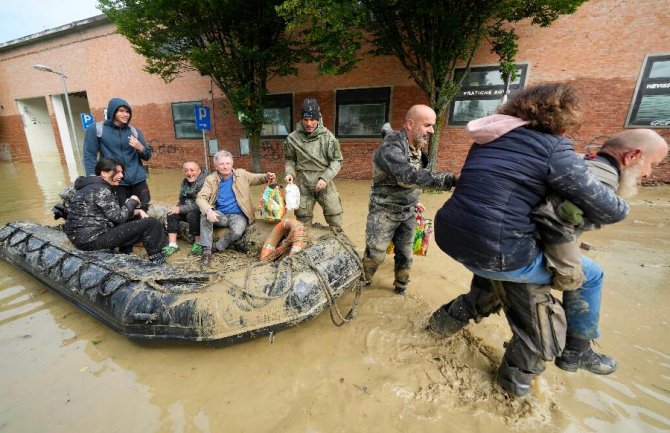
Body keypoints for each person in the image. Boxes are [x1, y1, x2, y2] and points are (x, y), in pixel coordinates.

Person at [427, 82, 668, 397]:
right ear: (634, 155)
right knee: (583, 285)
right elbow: (608, 209)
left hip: (453, 235)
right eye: (651, 164)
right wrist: (620, 201)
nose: (649, 173)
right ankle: (528, 383)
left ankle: (434, 330)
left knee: (492, 290)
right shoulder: (555, 149)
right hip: (498, 250)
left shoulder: (491, 138)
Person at [362, 105, 457, 295]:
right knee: (376, 254)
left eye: (433, 126)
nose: (432, 130)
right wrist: (451, 179)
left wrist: (415, 200)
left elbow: (415, 178)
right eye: (428, 125)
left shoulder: (418, 147)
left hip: (408, 211)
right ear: (410, 124)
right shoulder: (389, 149)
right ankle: (362, 282)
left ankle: (401, 289)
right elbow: (407, 176)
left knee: (406, 254)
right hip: (384, 210)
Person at [64, 157, 169, 264]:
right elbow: (118, 218)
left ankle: (126, 253)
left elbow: (111, 214)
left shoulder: (89, 186)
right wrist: (132, 201)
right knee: (151, 223)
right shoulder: (101, 189)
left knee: (132, 219)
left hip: (81, 239)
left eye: (121, 172)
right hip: (92, 241)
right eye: (117, 172)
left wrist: (139, 211)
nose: (121, 176)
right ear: (104, 173)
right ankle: (157, 260)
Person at [196, 150, 275, 268]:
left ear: (232, 164)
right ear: (216, 166)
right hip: (220, 215)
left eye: (228, 163)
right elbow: (200, 198)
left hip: (239, 215)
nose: (225, 166)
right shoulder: (210, 180)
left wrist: (266, 176)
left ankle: (217, 247)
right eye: (221, 164)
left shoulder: (241, 174)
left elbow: (256, 178)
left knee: (237, 231)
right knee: (204, 215)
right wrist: (208, 210)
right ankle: (206, 252)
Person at [284, 98, 344, 228]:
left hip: (324, 183)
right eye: (306, 119)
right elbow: (290, 160)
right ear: (302, 119)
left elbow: (336, 161)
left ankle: (338, 244)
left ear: (318, 118)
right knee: (302, 219)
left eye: (312, 119)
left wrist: (325, 178)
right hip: (303, 184)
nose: (309, 123)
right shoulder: (292, 139)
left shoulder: (328, 137)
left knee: (335, 216)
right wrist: (290, 173)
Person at [83, 97, 153, 209]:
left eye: (128, 111)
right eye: (121, 111)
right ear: (112, 111)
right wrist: (93, 180)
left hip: (138, 181)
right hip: (115, 182)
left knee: (144, 209)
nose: (126, 114)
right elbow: (89, 156)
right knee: (121, 214)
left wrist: (140, 148)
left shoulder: (134, 131)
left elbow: (148, 156)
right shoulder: (96, 129)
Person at [163, 161, 208, 256]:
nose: (189, 173)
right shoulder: (185, 182)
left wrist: (180, 209)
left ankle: (198, 243)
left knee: (192, 214)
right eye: (186, 170)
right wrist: (176, 208)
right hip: (187, 207)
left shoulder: (205, 182)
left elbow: (200, 203)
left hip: (202, 210)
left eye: (192, 170)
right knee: (171, 214)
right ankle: (172, 245)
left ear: (199, 170)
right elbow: (182, 199)